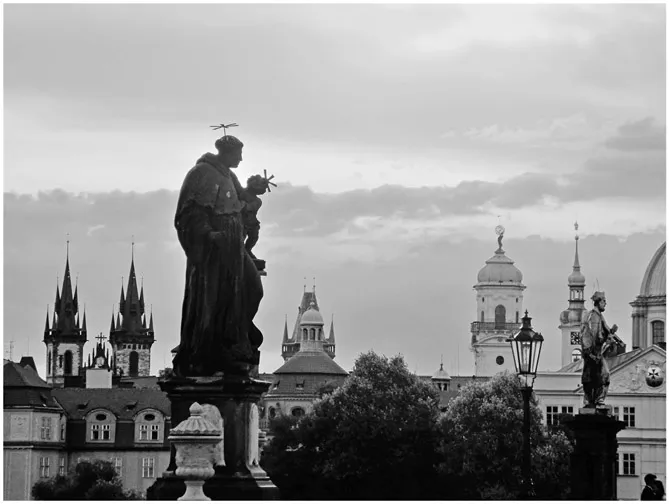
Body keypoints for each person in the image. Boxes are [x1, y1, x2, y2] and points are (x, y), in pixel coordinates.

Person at [172, 135, 264, 377]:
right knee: (214, 300)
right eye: (238, 154)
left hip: (234, 245)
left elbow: (241, 199)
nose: (241, 158)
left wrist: (255, 188)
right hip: (213, 251)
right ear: (226, 152)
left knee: (252, 290)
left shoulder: (227, 175)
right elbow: (188, 213)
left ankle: (237, 340)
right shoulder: (201, 173)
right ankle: (210, 352)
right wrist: (210, 236)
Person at [581, 291, 618, 407]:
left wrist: (611, 333)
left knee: (602, 376)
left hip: (596, 353)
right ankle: (592, 400)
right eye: (604, 301)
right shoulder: (593, 317)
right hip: (592, 354)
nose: (605, 303)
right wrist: (607, 338)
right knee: (592, 378)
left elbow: (605, 333)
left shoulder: (600, 316)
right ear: (598, 302)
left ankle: (596, 400)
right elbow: (593, 336)